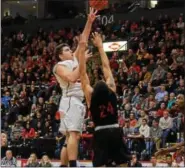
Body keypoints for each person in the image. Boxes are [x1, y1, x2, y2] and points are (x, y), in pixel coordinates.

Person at [53, 8, 98, 167]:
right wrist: (82, 62)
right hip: (71, 100)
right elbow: (72, 78)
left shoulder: (74, 61)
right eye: (66, 50)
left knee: (69, 139)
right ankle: (73, 165)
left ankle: (64, 165)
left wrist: (89, 21)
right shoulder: (60, 65)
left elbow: (83, 41)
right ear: (60, 55)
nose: (70, 51)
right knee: (74, 135)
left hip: (75, 101)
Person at [78, 32, 131, 166]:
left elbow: (83, 75)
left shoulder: (90, 95)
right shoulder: (111, 90)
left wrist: (82, 58)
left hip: (100, 131)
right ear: (107, 86)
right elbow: (106, 67)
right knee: (123, 162)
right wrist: (100, 47)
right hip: (114, 129)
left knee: (100, 164)